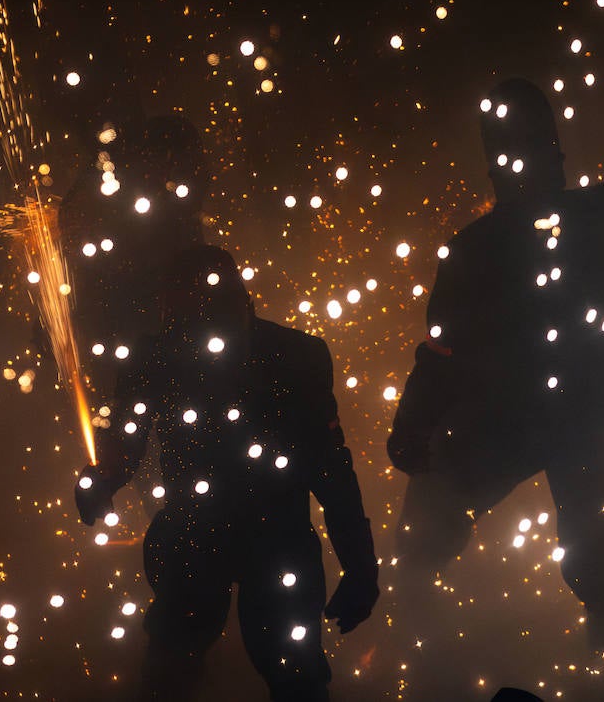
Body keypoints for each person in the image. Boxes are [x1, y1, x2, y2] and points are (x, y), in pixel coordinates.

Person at [387, 77, 604, 674]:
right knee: (431, 527)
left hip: (566, 415)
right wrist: (414, 427)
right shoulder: (502, 240)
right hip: (522, 414)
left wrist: (413, 428)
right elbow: (442, 353)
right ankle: (412, 649)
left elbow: (441, 354)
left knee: (603, 556)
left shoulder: (590, 217)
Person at [75, 245, 379, 702]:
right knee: (175, 668)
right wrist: (104, 477)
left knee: (286, 673)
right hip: (200, 535)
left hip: (267, 538)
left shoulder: (293, 356)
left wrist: (360, 566)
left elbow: (329, 467)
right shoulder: (158, 356)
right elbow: (128, 436)